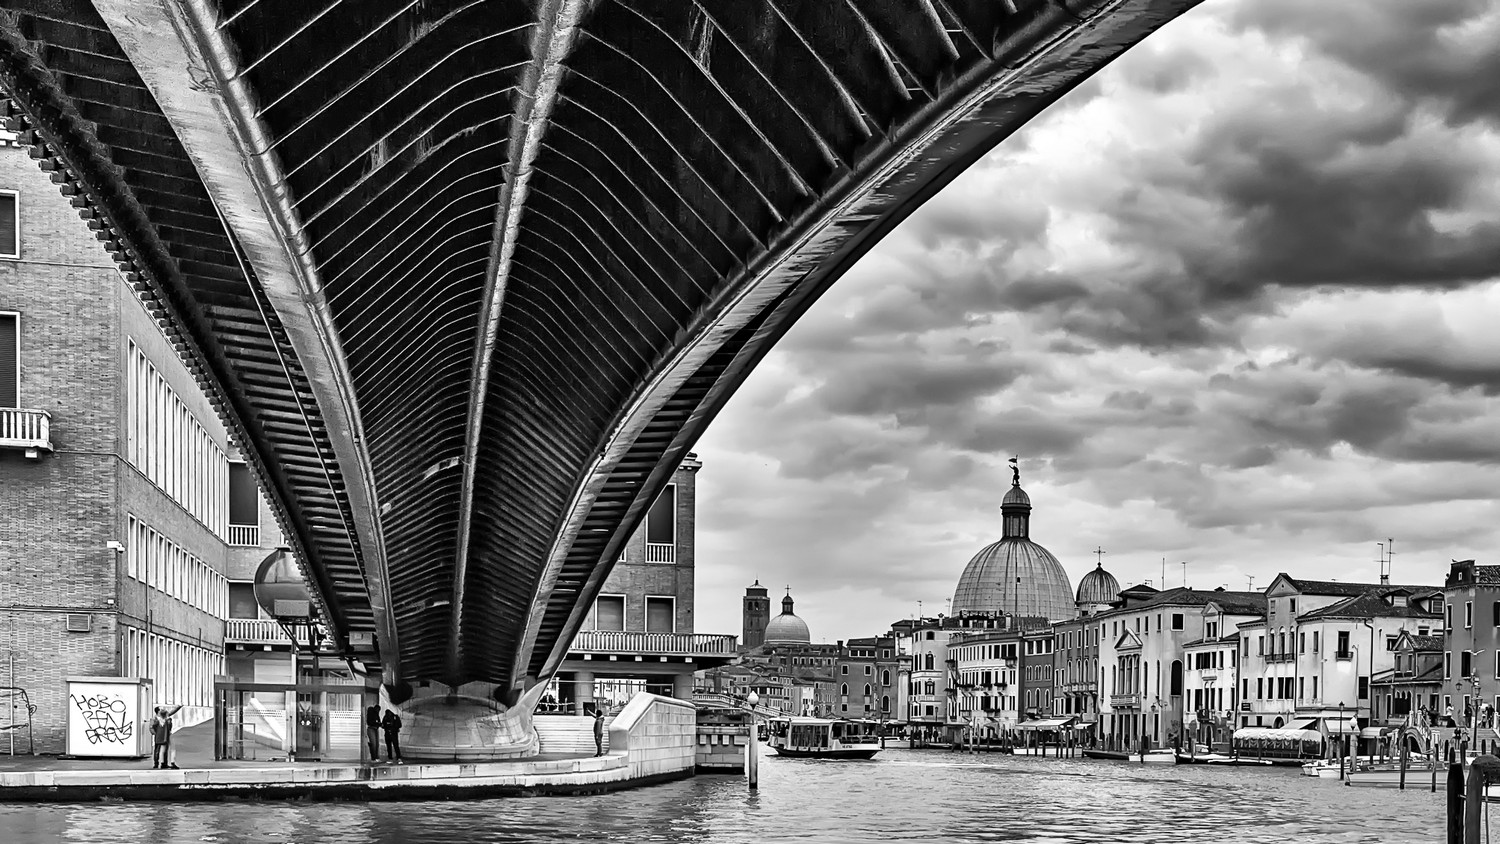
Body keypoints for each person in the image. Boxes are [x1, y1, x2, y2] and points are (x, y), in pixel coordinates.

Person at [150, 704, 183, 769]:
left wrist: (178, 707)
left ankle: (163, 763)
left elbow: (153, 726)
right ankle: (158, 763)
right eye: (161, 709)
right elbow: (152, 727)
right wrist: (155, 733)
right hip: (163, 735)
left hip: (160, 735)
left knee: (163, 749)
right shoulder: (162, 718)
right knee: (160, 749)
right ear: (158, 711)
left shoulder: (161, 717)